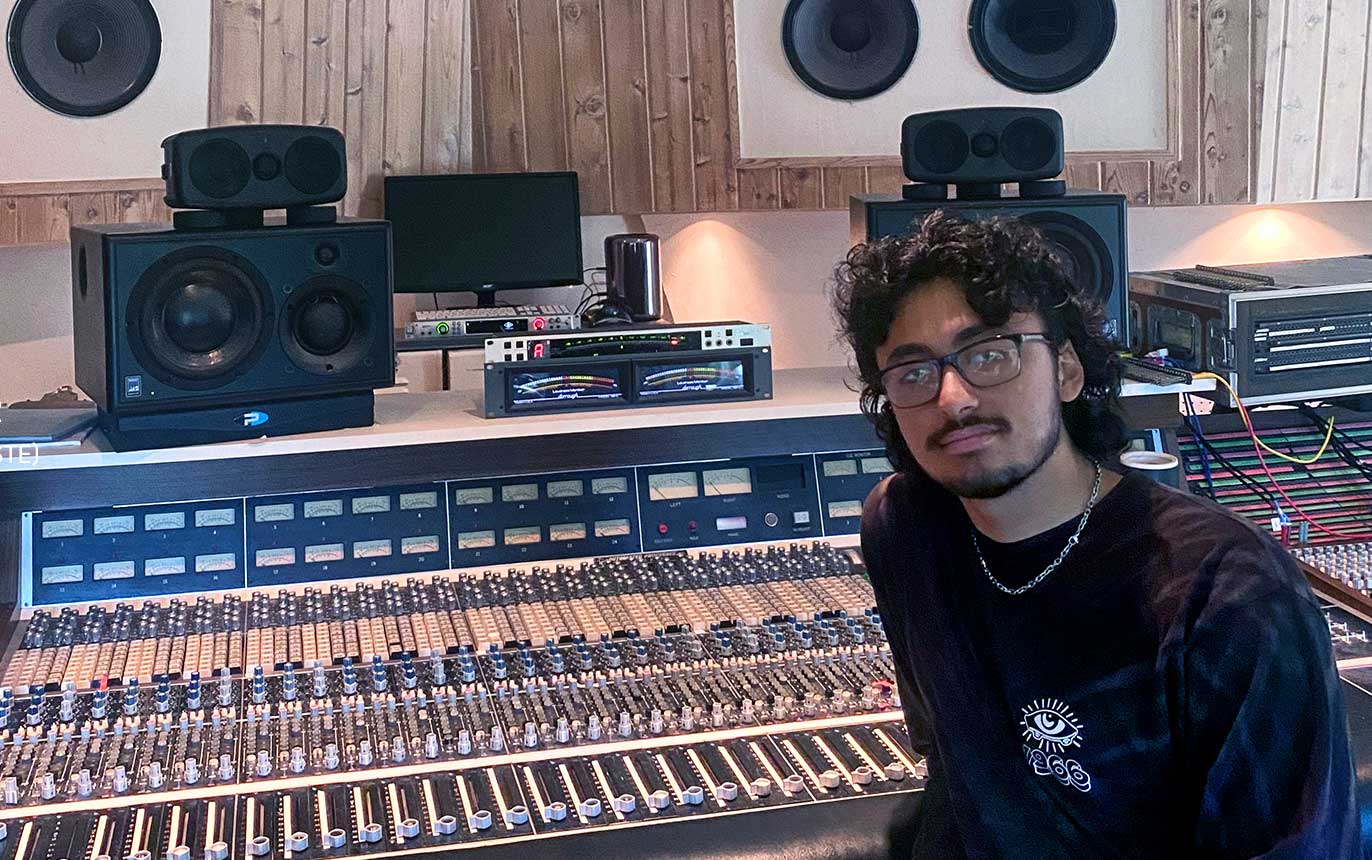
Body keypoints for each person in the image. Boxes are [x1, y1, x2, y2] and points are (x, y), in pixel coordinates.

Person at [833, 212, 1358, 858]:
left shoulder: (1230, 595)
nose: (953, 398)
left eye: (990, 354)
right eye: (913, 372)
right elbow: (950, 768)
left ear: (1067, 371)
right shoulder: (904, 527)